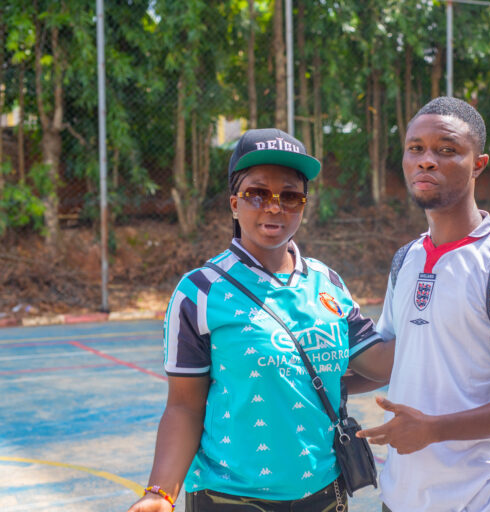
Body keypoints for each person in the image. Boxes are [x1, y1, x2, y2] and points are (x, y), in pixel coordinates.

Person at [127, 128, 392, 512]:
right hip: (230, 498)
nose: (274, 207)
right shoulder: (200, 292)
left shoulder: (327, 283)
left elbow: (379, 363)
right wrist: (160, 493)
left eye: (290, 196)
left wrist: (441, 309)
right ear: (235, 204)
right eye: (257, 194)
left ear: (303, 205)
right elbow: (184, 407)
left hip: (324, 493)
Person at [354, 97, 490, 512]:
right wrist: (324, 378)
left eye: (446, 149)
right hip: (400, 496)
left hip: (483, 497)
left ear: (478, 164)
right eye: (416, 148)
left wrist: (434, 430)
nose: (426, 160)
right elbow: (394, 356)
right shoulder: (406, 259)